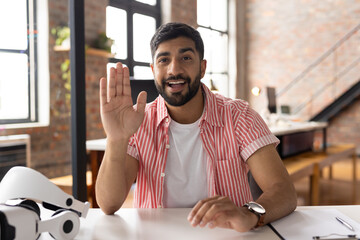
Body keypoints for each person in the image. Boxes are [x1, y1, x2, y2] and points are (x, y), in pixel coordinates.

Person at [95, 22, 297, 232]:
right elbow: (109, 204)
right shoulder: (139, 120)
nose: (174, 69)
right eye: (164, 60)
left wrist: (249, 214)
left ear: (202, 67)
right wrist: (116, 138)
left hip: (228, 236)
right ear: (154, 70)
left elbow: (284, 192)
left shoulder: (239, 116)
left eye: (186, 58)